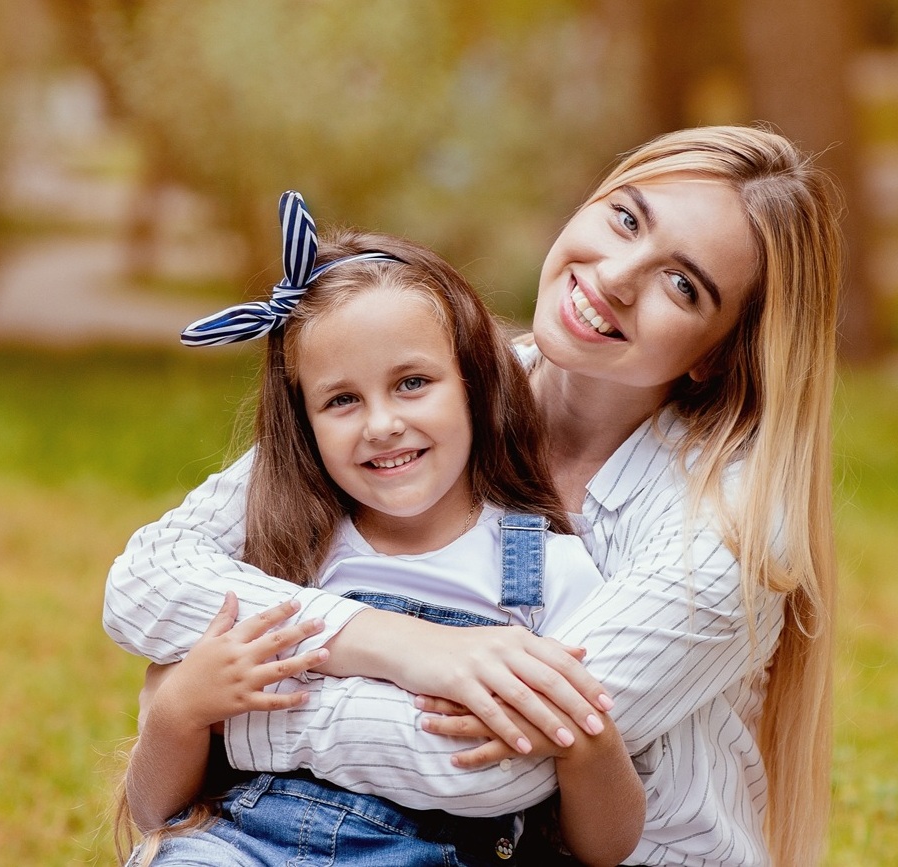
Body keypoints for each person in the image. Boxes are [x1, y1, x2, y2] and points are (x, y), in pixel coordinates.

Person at [105, 125, 843, 866]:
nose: (617, 276)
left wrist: (204, 707)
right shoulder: (435, 388)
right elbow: (147, 581)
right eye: (625, 218)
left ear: (715, 356)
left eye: (682, 285)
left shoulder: (730, 517)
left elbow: (501, 764)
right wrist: (405, 646)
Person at [116, 190, 646, 867]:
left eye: (411, 382)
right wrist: (179, 710)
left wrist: (589, 741)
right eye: (341, 399)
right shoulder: (290, 557)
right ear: (304, 424)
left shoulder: (542, 570)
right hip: (247, 841)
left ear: (474, 384)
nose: (381, 423)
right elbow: (154, 813)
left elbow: (606, 846)